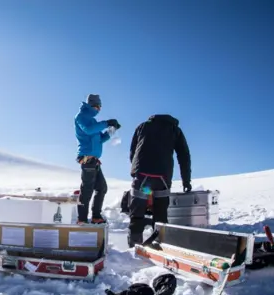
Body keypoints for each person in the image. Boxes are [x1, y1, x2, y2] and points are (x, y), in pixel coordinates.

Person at [127, 114, 192, 247]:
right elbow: (184, 156)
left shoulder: (143, 126)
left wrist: (135, 170)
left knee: (138, 208)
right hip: (162, 178)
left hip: (143, 177)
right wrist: (186, 180)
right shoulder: (175, 130)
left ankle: (134, 245)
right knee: (160, 212)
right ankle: (160, 243)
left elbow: (133, 150)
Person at [74, 94, 121, 225]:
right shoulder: (81, 117)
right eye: (98, 106)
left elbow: (101, 139)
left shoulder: (94, 122)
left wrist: (112, 130)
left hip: (94, 160)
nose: (99, 109)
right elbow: (88, 130)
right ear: (92, 105)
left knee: (102, 188)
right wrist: (106, 123)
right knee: (87, 189)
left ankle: (96, 216)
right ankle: (82, 219)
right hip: (87, 158)